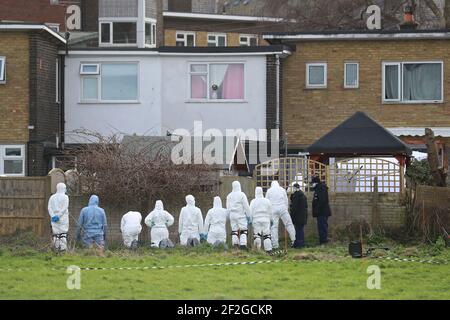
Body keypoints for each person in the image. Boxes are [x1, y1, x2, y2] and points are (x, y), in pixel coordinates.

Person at [266, 181, 296, 249]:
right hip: (282, 208)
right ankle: (294, 240)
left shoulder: (269, 191)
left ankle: (275, 245)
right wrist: (285, 208)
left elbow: (267, 201)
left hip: (273, 209)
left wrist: (269, 212)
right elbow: (286, 200)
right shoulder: (282, 190)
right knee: (289, 224)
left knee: (274, 227)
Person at [226, 181, 251, 249]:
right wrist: (249, 216)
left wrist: (228, 217)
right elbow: (246, 206)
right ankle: (243, 245)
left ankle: (235, 245)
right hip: (240, 215)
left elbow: (227, 208)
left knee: (234, 230)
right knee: (243, 230)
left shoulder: (229, 195)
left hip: (232, 215)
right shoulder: (242, 194)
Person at [250, 187, 273, 254]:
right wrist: (271, 219)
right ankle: (268, 250)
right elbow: (270, 211)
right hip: (266, 220)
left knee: (257, 235)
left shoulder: (253, 201)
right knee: (267, 235)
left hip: (256, 220)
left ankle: (257, 250)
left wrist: (250, 220)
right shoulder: (267, 201)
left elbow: (250, 211)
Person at [48, 183, 70, 251]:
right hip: (63, 218)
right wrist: (59, 216)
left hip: (54, 218)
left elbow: (49, 207)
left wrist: (53, 216)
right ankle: (63, 249)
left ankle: (56, 248)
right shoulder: (65, 197)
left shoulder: (52, 197)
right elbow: (64, 208)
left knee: (56, 233)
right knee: (63, 233)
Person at [311, 176, 332, 245]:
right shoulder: (319, 188)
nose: (312, 185)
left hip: (322, 212)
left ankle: (323, 241)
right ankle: (322, 239)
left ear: (315, 182)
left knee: (322, 226)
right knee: (321, 226)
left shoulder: (321, 188)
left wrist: (317, 209)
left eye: (312, 183)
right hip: (321, 211)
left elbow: (322, 200)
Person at [290, 183, 308, 248]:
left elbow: (294, 207)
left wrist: (291, 215)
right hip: (303, 216)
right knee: (300, 230)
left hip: (298, 216)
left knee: (298, 230)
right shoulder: (302, 195)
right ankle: (301, 243)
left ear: (294, 188)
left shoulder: (296, 196)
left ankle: (299, 244)